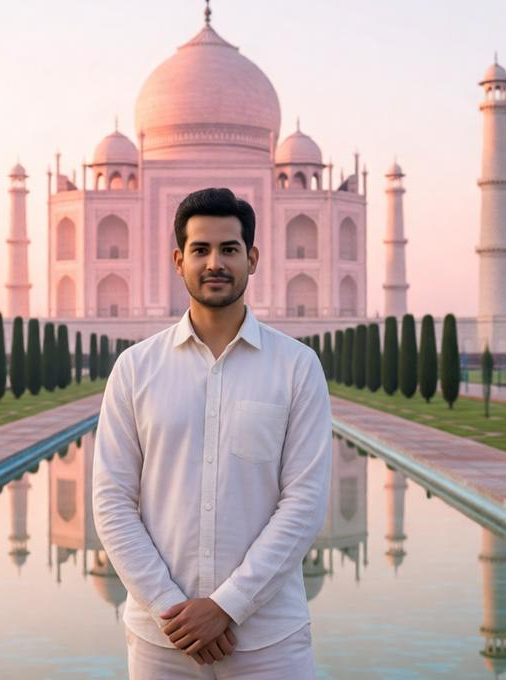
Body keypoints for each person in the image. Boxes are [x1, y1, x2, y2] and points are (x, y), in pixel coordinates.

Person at [92, 187, 331, 679]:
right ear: (179, 260)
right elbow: (112, 502)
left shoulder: (296, 368)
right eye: (200, 250)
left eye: (229, 249)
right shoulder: (136, 369)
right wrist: (172, 608)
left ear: (253, 258)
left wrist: (227, 605)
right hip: (162, 639)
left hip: (269, 641)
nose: (214, 263)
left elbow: (304, 503)